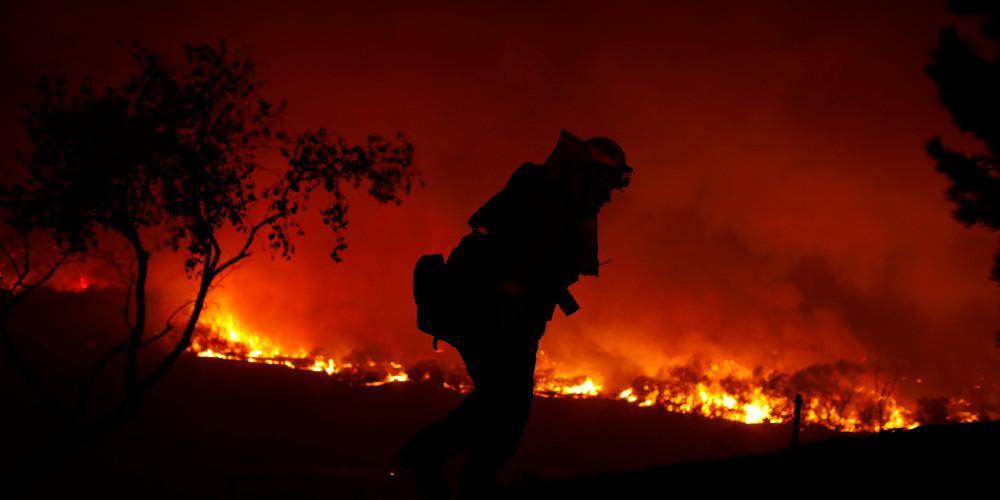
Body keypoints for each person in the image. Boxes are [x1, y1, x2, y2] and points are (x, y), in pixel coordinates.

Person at [401, 130, 632, 499]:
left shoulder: (551, 196)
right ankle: (434, 461)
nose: (608, 195)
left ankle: (463, 475)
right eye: (606, 183)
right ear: (587, 174)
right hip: (494, 315)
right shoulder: (553, 204)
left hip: (502, 314)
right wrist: (509, 324)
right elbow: (517, 275)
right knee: (503, 402)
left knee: (502, 402)